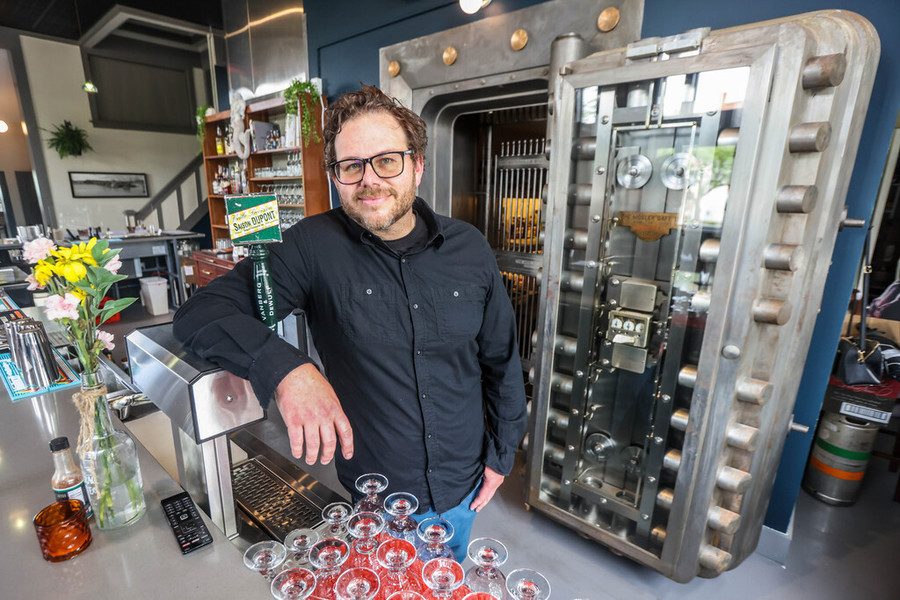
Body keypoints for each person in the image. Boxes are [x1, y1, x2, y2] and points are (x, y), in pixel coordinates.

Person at [173, 85, 527, 558]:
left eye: (387, 161)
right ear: (336, 176)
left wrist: (502, 456)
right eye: (351, 165)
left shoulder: (470, 246)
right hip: (376, 502)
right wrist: (289, 370)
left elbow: (502, 361)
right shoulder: (310, 246)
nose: (369, 180)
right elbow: (200, 313)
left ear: (417, 165)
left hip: (465, 488)